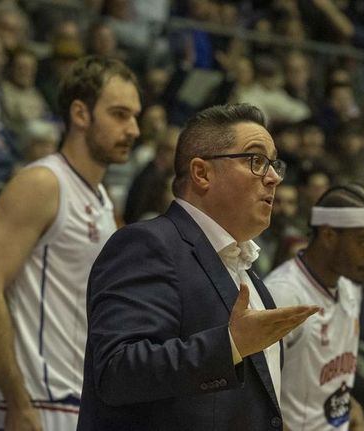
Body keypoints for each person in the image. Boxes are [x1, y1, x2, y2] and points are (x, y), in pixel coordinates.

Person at [76, 103, 320, 430]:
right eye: (256, 160)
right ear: (202, 173)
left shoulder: (247, 272)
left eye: (273, 164)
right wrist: (230, 344)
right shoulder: (148, 244)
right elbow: (117, 371)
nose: (274, 177)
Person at [0, 56, 141, 431]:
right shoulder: (43, 183)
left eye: (135, 116)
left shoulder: (103, 200)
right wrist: (17, 402)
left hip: (84, 405)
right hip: (38, 406)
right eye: (120, 115)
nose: (134, 129)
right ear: (80, 113)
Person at [265, 183, 364, 431]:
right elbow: (252, 396)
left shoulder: (350, 287)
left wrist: (351, 405)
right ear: (329, 236)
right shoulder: (283, 295)